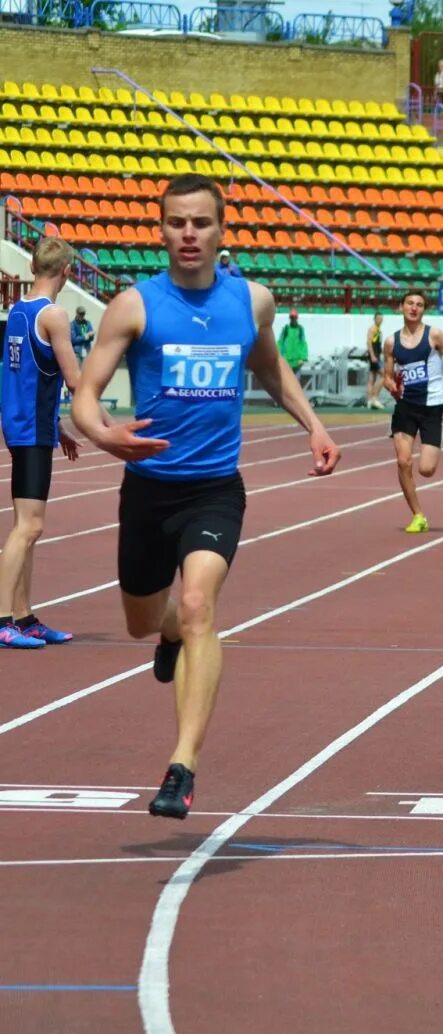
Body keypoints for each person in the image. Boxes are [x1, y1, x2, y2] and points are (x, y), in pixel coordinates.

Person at [71, 172, 342, 818]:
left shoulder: (252, 302)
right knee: (148, 621)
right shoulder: (135, 305)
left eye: (200, 223)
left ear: (223, 231)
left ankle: (182, 765)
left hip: (216, 490)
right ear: (160, 229)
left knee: (199, 606)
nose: (188, 234)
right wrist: (106, 436)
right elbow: (83, 394)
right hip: (148, 490)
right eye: (176, 223)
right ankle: (166, 636)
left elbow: (270, 367)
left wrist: (316, 425)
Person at [0, 237, 85, 649]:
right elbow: (75, 379)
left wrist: (59, 428)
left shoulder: (18, 309)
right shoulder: (54, 315)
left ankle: (23, 616)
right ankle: (2, 619)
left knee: (26, 527)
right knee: (28, 528)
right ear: (66, 272)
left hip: (26, 425)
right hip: (30, 429)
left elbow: (31, 375)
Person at [382, 290, 443, 533]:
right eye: (410, 303)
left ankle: (437, 433)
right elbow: (387, 377)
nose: (414, 308)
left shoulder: (434, 335)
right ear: (401, 307)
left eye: (419, 304)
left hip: (432, 407)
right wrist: (391, 386)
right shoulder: (391, 342)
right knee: (403, 461)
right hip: (405, 408)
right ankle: (418, 515)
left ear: (423, 310)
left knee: (426, 470)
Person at [277, 307, 308, 373]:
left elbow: (303, 343)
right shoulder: (286, 329)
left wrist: (303, 358)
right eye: (291, 317)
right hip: (286, 362)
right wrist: (279, 356)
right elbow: (280, 342)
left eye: (294, 317)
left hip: (297, 362)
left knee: (296, 382)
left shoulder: (300, 329)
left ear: (297, 318)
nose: (293, 319)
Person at [365, 312, 384, 410]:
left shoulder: (378, 330)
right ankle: (374, 397)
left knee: (372, 378)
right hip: (374, 357)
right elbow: (369, 343)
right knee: (384, 375)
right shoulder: (372, 329)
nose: (380, 320)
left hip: (376, 356)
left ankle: (369, 401)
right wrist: (372, 355)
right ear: (374, 319)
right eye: (378, 318)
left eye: (381, 318)